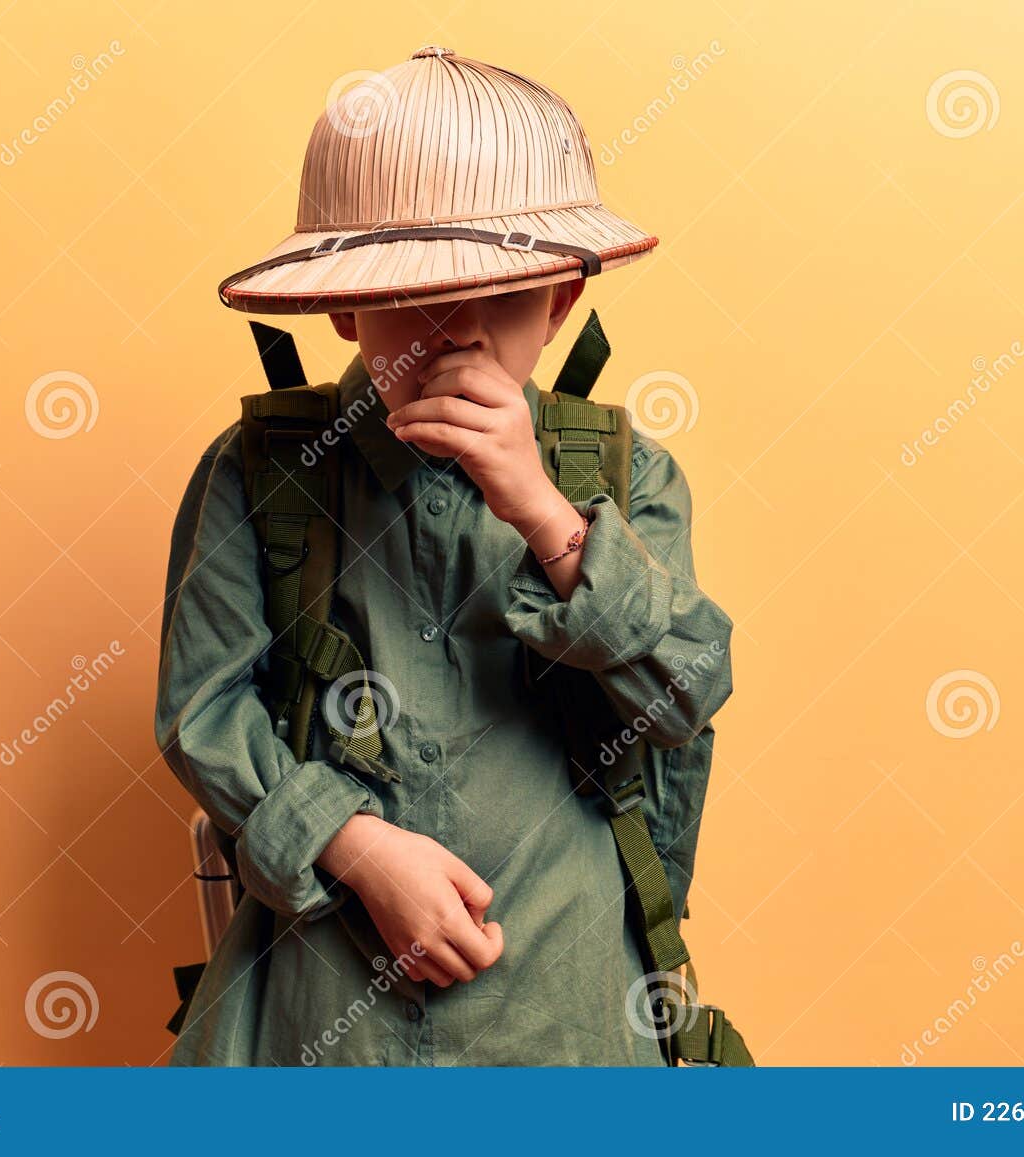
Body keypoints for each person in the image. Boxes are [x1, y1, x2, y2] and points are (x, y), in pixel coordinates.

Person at [155, 46, 735, 1066]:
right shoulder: (260, 474)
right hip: (323, 1013)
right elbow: (202, 711)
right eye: (415, 298)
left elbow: (686, 690)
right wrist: (356, 844)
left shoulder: (626, 474)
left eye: (502, 295)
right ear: (344, 308)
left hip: (571, 1008)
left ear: (557, 304)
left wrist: (540, 508)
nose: (457, 335)